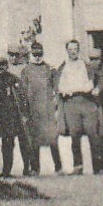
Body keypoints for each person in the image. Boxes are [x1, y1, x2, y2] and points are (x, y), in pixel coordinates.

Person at [56, 39, 103, 175]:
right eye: (70, 49)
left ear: (79, 50)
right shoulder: (63, 67)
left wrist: (97, 89)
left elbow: (98, 80)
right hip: (71, 103)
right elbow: (59, 86)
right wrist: (67, 90)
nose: (73, 52)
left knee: (92, 134)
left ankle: (98, 167)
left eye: (75, 49)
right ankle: (78, 166)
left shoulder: (86, 65)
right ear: (67, 51)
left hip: (87, 102)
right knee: (74, 135)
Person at [19, 41, 62, 176]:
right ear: (31, 54)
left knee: (52, 139)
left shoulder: (49, 69)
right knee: (34, 141)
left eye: (40, 54)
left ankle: (58, 167)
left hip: (48, 111)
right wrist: (25, 112)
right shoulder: (26, 71)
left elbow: (57, 89)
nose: (38, 57)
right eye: (35, 54)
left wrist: (56, 105)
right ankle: (35, 168)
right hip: (33, 111)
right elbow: (22, 93)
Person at [0, 57, 27, 177]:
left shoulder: (13, 79)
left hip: (9, 118)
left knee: (8, 145)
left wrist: (21, 114)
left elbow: (20, 98)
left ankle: (6, 171)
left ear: (7, 66)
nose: (0, 67)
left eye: (3, 65)